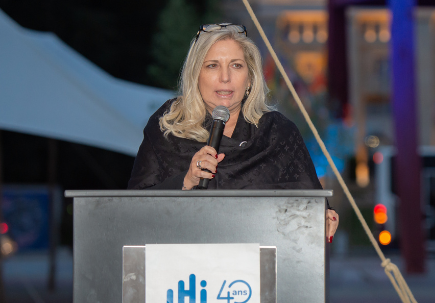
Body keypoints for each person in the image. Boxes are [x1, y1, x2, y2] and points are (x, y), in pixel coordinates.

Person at [126, 24, 339, 242]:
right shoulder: (167, 126)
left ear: (250, 78)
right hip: (184, 267)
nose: (225, 77)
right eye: (212, 66)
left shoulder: (278, 133)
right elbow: (132, 211)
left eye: (236, 65)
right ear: (196, 75)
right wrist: (186, 181)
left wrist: (323, 218)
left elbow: (310, 203)